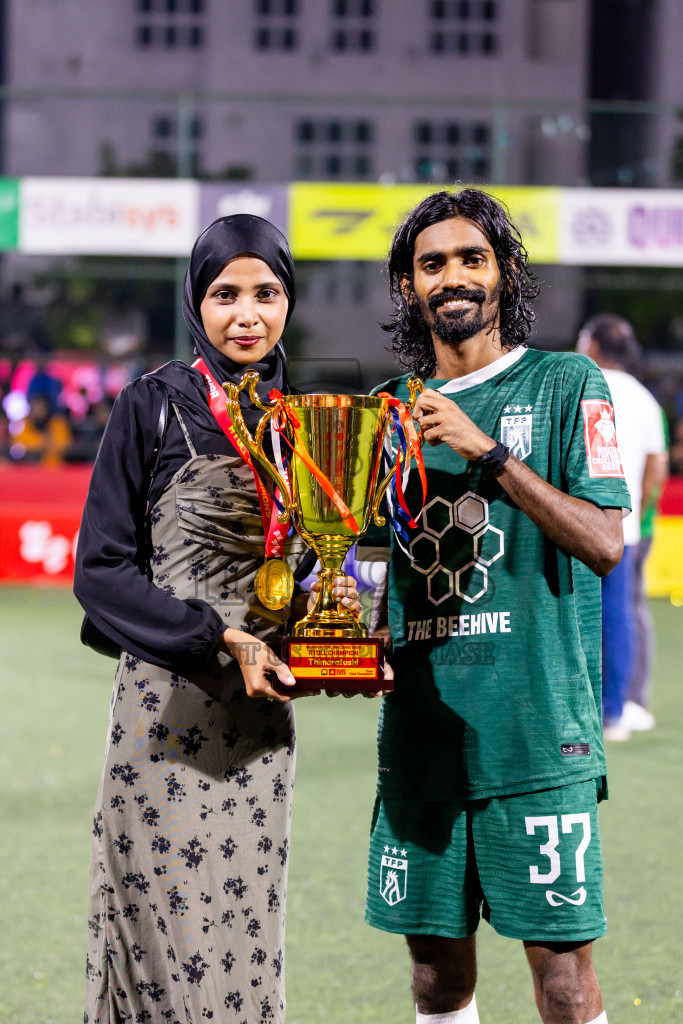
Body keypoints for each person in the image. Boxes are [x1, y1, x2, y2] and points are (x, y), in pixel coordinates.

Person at [74, 214, 360, 1024]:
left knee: (241, 939)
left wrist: (334, 628)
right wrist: (215, 637)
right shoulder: (152, 405)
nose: (247, 314)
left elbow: (312, 563)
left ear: (287, 302)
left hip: (258, 719)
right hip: (165, 712)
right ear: (196, 303)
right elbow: (99, 572)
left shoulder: (304, 424)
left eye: (266, 294)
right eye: (225, 293)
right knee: (162, 941)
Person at [362, 189, 630, 1024]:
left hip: (536, 739)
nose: (453, 277)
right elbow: (368, 564)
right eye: (431, 263)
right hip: (423, 742)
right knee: (436, 981)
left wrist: (490, 456)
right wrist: (344, 617)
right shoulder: (385, 413)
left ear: (504, 271)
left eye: (470, 258)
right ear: (408, 288)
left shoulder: (565, 383)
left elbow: (603, 542)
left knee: (562, 983)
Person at [577, 315, 668, 739]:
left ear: (593, 346)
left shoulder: (580, 388)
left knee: (571, 620)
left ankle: (577, 710)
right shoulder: (646, 399)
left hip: (574, 526)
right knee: (619, 618)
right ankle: (615, 711)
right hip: (624, 530)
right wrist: (640, 515)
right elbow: (657, 466)